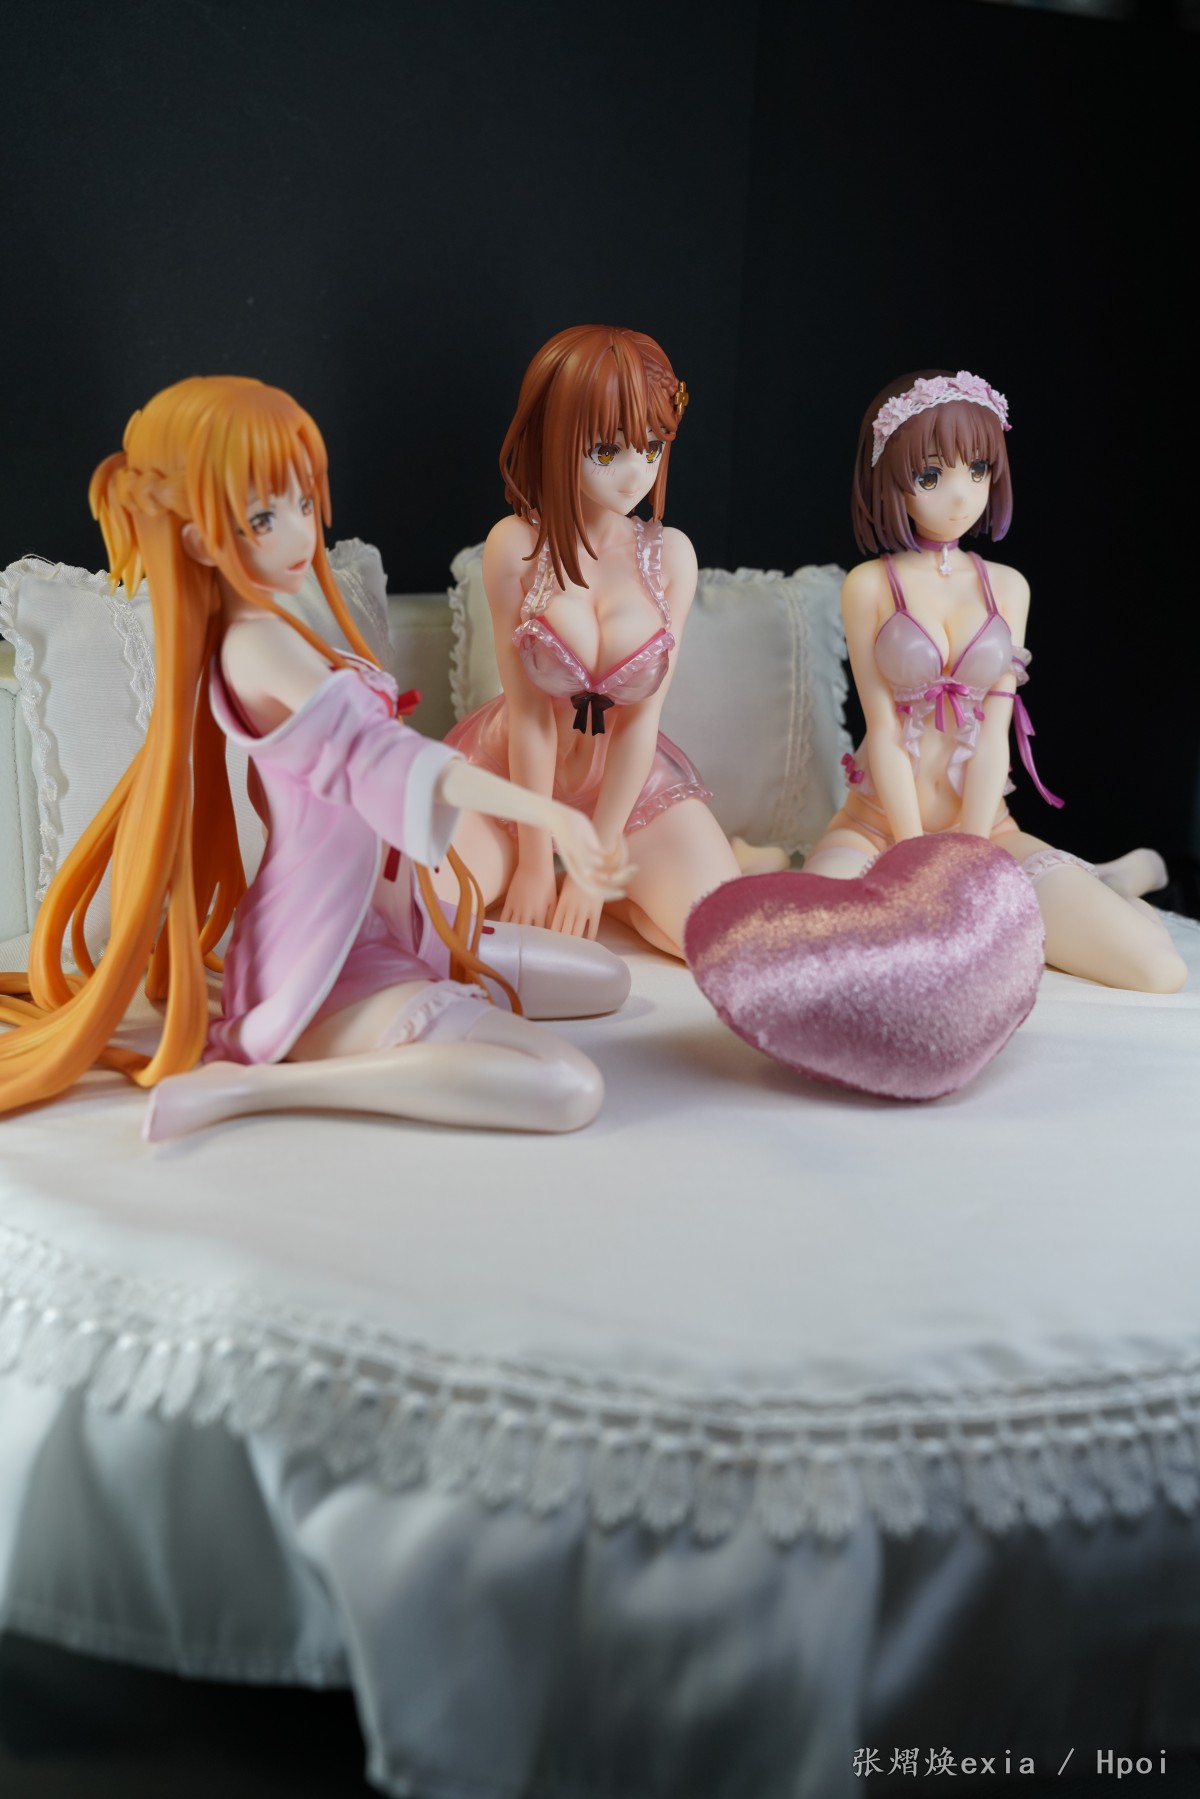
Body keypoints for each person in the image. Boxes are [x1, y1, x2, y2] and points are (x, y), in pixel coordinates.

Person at [0, 376, 634, 1137]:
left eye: (304, 502)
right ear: (199, 540)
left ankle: (411, 1005)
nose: (301, 535)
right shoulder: (255, 648)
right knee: (569, 1086)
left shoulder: (277, 628)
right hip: (326, 957)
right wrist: (552, 817)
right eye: (264, 518)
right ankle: (248, 1090)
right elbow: (386, 757)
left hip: (392, 920)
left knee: (607, 979)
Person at [802, 368, 1184, 992]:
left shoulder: (1007, 587)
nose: (961, 496)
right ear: (890, 477)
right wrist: (915, 859)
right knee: (820, 956)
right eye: (932, 476)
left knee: (1158, 968)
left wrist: (968, 861)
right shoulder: (869, 585)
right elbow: (885, 732)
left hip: (986, 832)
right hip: (876, 829)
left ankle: (1114, 882)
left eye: (978, 470)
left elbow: (994, 736)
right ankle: (1107, 879)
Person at [441, 324, 775, 961]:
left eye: (652, 446)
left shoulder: (671, 556)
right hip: (511, 774)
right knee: (423, 917)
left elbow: (640, 723)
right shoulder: (515, 546)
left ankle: (625, 892)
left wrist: (595, 867)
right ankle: (529, 868)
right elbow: (530, 717)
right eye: (606, 449)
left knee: (726, 942)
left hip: (624, 790)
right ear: (554, 438)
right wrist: (535, 860)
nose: (635, 473)